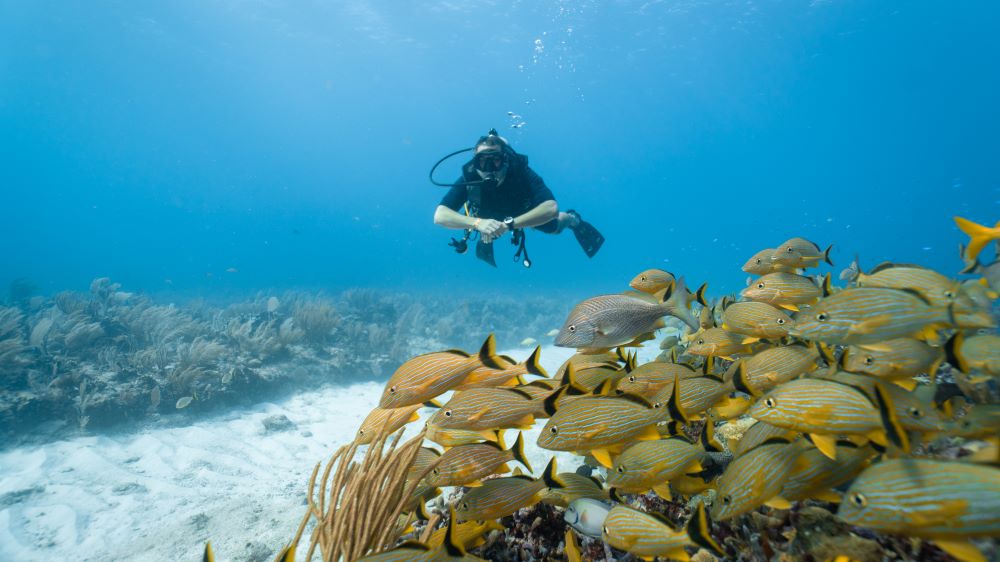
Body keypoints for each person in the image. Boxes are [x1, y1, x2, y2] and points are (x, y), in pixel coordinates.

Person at [433, 130, 603, 265]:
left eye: (496, 160)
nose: (489, 167)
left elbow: (551, 208)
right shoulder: (469, 178)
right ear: (474, 163)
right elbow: (440, 215)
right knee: (484, 224)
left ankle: (573, 219)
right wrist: (478, 223)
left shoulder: (520, 172)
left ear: (505, 160)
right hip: (485, 216)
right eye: (482, 162)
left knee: (555, 228)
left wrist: (509, 225)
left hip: (521, 213)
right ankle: (487, 230)